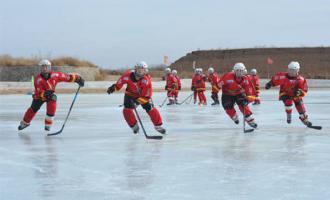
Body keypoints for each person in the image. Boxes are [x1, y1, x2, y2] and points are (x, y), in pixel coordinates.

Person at [18, 59, 85, 131]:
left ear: (49, 67)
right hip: (39, 96)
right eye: (43, 67)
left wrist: (78, 79)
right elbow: (39, 91)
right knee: (33, 109)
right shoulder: (38, 79)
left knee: (52, 104)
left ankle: (48, 125)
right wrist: (44, 93)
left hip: (50, 95)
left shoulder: (55, 75)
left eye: (46, 66)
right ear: (41, 68)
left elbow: (67, 77)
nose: (45, 68)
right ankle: (25, 123)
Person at [107, 61, 166, 134]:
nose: (140, 73)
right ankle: (134, 126)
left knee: (150, 108)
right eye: (139, 70)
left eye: (143, 71)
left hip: (142, 96)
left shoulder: (146, 81)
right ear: (135, 70)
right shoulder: (127, 76)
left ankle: (158, 125)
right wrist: (114, 87)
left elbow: (146, 96)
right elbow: (120, 82)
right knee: (127, 110)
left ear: (145, 71)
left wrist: (137, 102)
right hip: (130, 95)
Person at [265, 61, 312, 126]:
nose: (291, 72)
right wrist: (269, 84)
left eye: (293, 70)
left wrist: (300, 92)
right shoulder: (282, 76)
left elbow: (304, 89)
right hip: (285, 93)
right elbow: (275, 80)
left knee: (300, 105)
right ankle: (289, 114)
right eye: (290, 70)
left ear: (297, 70)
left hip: (295, 94)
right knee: (288, 102)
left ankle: (304, 118)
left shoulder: (301, 79)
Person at [218, 63, 257, 128]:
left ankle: (250, 120)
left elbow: (251, 92)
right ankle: (234, 116)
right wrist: (214, 93)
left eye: (241, 71)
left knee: (243, 105)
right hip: (227, 94)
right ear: (234, 71)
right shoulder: (227, 76)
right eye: (237, 71)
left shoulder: (246, 79)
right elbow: (218, 85)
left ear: (244, 71)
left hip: (239, 94)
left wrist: (248, 100)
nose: (239, 73)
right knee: (227, 105)